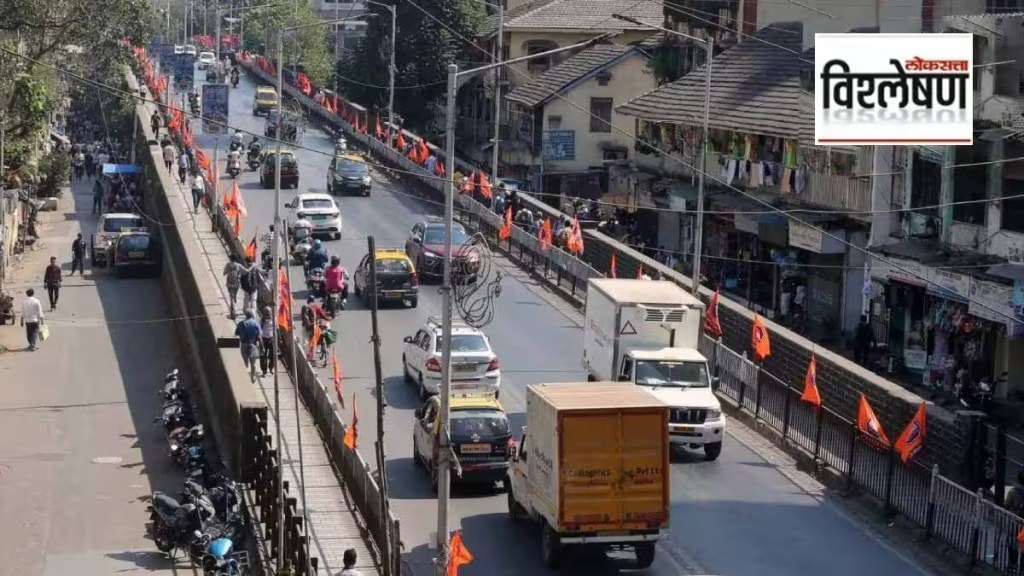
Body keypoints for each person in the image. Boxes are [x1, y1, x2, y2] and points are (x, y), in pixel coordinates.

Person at [234, 309, 262, 373]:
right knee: (253, 363)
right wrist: (262, 347)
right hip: (253, 345)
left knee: (245, 363)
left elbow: (236, 333)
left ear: (246, 315)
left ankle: (244, 374)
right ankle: (252, 376)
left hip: (244, 344)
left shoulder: (240, 324)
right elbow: (259, 337)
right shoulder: (256, 324)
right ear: (252, 315)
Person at [259, 306, 276, 376]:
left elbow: (277, 329)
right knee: (263, 355)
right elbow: (259, 330)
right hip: (263, 339)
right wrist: (263, 322)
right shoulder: (261, 320)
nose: (268, 315)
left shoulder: (274, 320)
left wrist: (279, 338)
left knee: (273, 355)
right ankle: (264, 371)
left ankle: (271, 367)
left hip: (271, 339)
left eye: (269, 314)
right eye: (266, 314)